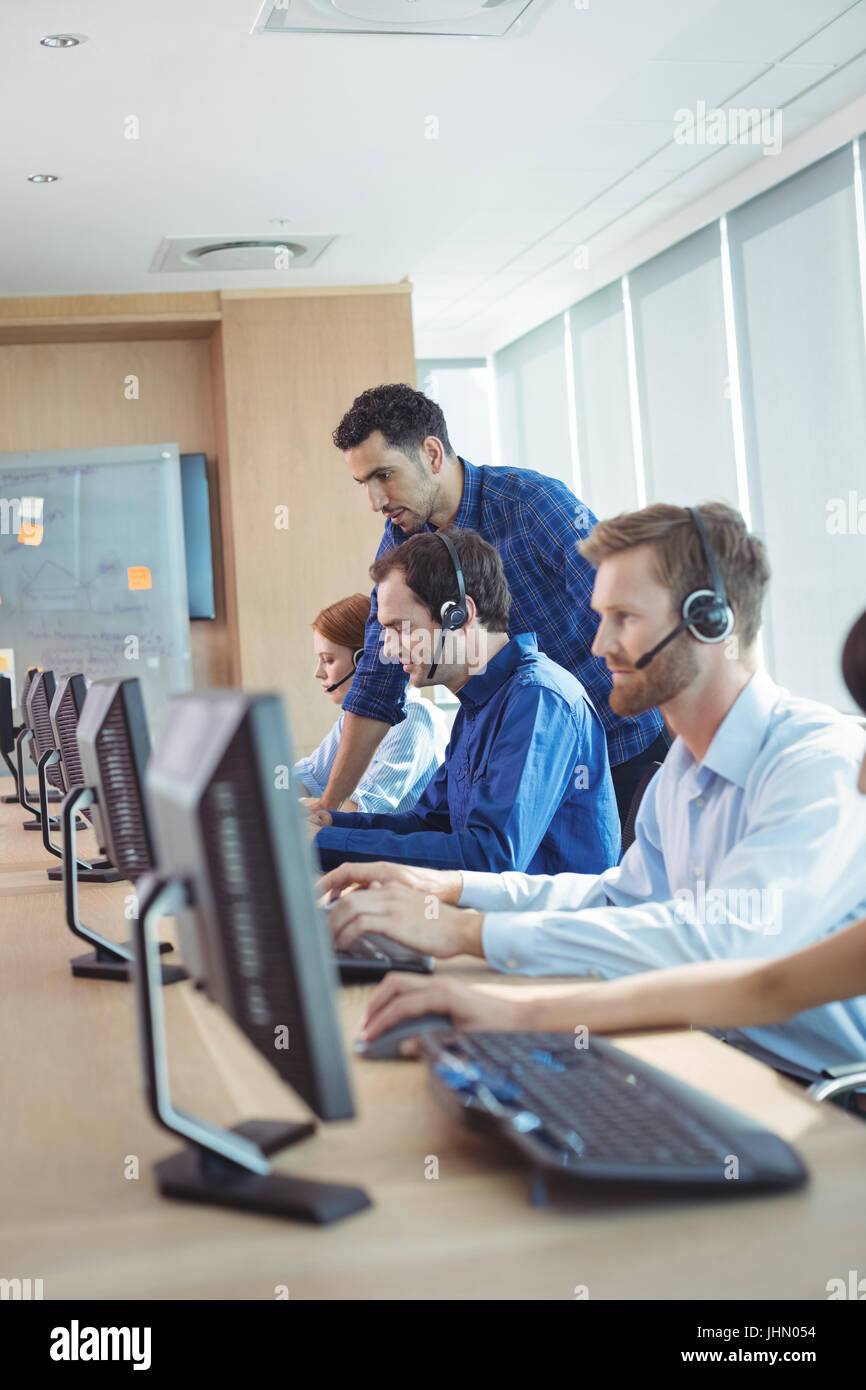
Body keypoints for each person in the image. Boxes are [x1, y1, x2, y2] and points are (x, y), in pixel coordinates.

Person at [321, 504, 866, 1081]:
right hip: (693, 1053)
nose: (599, 644)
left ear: (710, 621)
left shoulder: (817, 763)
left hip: (813, 1097)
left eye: (624, 618)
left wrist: (469, 932)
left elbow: (721, 943)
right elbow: (618, 900)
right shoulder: (679, 770)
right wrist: (447, 886)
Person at [308, 383, 668, 825]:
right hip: (520, 767)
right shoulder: (399, 551)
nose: (375, 501)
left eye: (385, 475)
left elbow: (630, 614)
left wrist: (689, 750)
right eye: (364, 483)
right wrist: (327, 810)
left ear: (432, 454)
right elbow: (374, 688)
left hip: (620, 749)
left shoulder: (532, 505)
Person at [311, 527, 620, 876]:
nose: (388, 648)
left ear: (459, 615)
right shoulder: (478, 704)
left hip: (552, 927)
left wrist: (321, 844)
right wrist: (327, 824)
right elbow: (430, 822)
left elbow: (489, 858)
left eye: (400, 628)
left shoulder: (538, 700)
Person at [293, 592, 448, 815]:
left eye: (328, 660)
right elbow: (311, 774)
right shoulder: (352, 720)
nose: (318, 673)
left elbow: (361, 809)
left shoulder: (414, 717)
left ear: (365, 660)